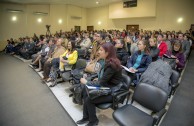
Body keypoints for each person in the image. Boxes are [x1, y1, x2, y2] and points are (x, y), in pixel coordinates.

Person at [76, 42, 123, 126]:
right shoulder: (108, 61)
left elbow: (102, 82)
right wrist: (99, 78)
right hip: (107, 86)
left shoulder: (111, 64)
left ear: (107, 53)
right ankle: (86, 117)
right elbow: (105, 78)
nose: (98, 52)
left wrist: (86, 81)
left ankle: (93, 121)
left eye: (101, 50)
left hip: (112, 91)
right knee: (85, 92)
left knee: (89, 99)